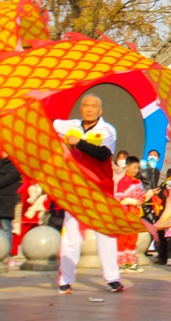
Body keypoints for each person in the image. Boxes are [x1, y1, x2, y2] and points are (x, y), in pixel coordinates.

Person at [53, 94, 123, 294]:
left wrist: (78, 142)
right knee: (70, 235)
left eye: (94, 106)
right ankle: (65, 280)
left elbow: (102, 153)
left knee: (106, 234)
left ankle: (112, 278)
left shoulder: (107, 130)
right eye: (86, 105)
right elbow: (47, 123)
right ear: (81, 108)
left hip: (101, 190)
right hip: (76, 191)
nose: (89, 109)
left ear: (100, 111)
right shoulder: (69, 126)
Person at [115, 156, 146, 272]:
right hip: (125, 214)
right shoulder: (123, 182)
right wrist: (133, 201)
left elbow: (142, 198)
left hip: (135, 214)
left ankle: (131, 262)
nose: (136, 170)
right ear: (127, 167)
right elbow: (119, 199)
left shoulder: (138, 182)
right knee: (122, 238)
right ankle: (120, 263)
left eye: (137, 168)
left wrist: (150, 193)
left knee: (132, 238)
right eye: (134, 168)